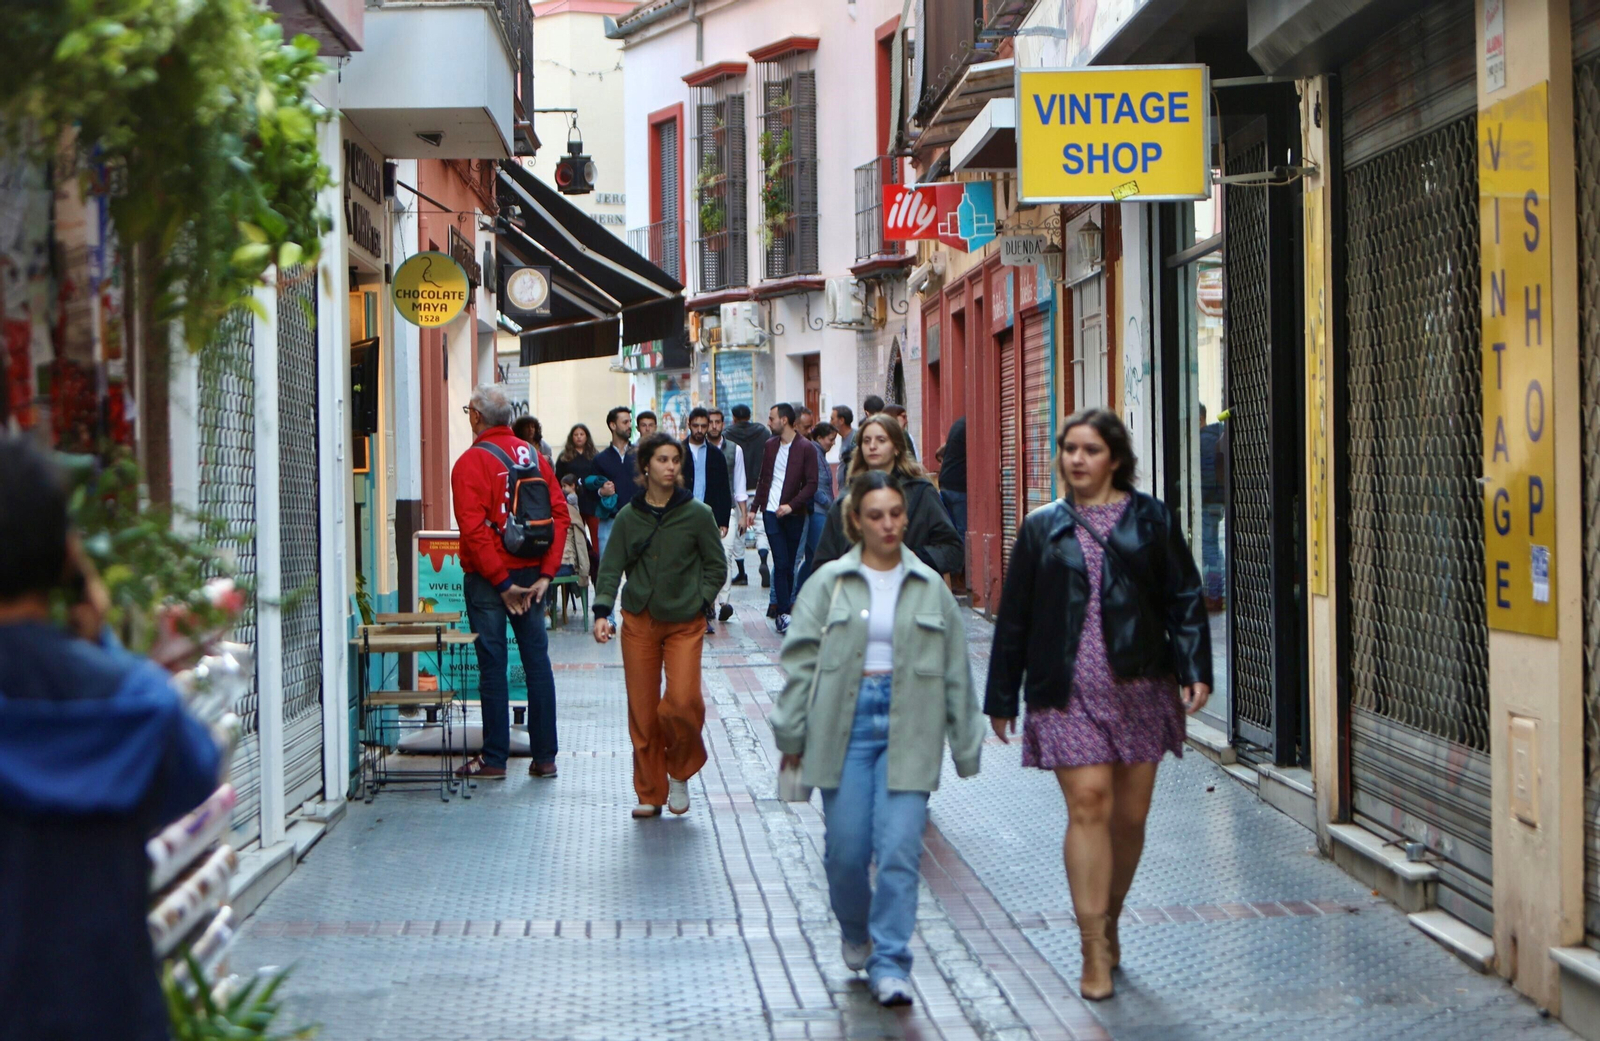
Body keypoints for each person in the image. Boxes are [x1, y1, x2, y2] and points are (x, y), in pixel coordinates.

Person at [0, 435, 223, 1041]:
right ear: (67, 558)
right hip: (111, 1012)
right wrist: (101, 642)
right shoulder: (134, 703)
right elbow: (197, 772)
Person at [984, 408, 1212, 1002]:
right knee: (1089, 803)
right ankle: (1092, 948)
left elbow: (1184, 595)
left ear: (1114, 458)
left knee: (1129, 819)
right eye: (1069, 449)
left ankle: (1110, 918)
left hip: (1140, 683)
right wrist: (1003, 694)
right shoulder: (1041, 528)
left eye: (1089, 450)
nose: (1077, 460)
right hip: (1066, 688)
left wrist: (1194, 668)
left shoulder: (1150, 519)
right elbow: (1016, 617)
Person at [770, 470, 983, 1008]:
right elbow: (799, 663)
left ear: (905, 518)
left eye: (895, 514)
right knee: (846, 851)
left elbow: (956, 669)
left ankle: (891, 961)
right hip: (844, 726)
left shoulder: (929, 586)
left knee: (899, 849)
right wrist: (791, 733)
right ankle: (856, 930)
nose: (888, 524)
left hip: (911, 722)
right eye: (876, 516)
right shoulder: (829, 584)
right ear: (856, 522)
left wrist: (965, 742)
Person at [592, 434, 728, 819]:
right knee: (643, 711)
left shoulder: (698, 514)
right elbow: (611, 567)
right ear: (646, 466)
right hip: (639, 620)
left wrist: (701, 600)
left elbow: (717, 566)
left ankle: (681, 769)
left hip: (685, 621)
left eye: (676, 461)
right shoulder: (628, 517)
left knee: (683, 702)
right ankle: (651, 792)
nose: (671, 467)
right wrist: (602, 612)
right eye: (663, 460)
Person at [451, 384, 571, 780]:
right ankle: (545, 757)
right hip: (533, 576)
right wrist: (546, 575)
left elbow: (473, 530)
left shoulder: (470, 463)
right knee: (538, 661)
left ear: (476, 417)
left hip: (490, 580)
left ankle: (495, 758)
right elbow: (560, 516)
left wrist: (502, 583)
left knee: (492, 665)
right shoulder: (534, 455)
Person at [810, 414, 962, 578]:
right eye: (866, 441)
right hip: (859, 596)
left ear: (896, 448)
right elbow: (824, 562)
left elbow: (953, 550)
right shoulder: (847, 499)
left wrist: (915, 557)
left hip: (909, 592)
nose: (872, 446)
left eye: (881, 440)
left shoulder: (921, 492)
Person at [754, 403, 818, 634]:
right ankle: (782, 612)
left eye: (772, 419)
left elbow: (812, 484)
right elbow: (764, 478)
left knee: (790, 564)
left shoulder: (805, 448)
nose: (768, 423)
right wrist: (754, 508)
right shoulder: (770, 446)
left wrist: (791, 506)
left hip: (794, 514)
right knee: (780, 562)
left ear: (784, 420)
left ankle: (785, 609)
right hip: (770, 513)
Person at [679, 407, 735, 635]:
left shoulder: (715, 454)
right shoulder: (679, 451)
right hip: (682, 516)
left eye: (704, 426)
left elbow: (724, 488)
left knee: (707, 565)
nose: (701, 430)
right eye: (697, 426)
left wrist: (723, 520)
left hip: (708, 517)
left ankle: (703, 613)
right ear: (689, 424)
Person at [724, 402, 772, 587]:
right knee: (761, 528)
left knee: (738, 531)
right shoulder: (763, 432)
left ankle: (742, 573)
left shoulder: (728, 435)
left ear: (734, 417)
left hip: (739, 489)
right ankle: (763, 560)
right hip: (760, 488)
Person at [708, 408, 749, 616]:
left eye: (718, 422)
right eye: (711, 422)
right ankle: (709, 603)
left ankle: (724, 602)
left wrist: (743, 515)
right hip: (704, 511)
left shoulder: (735, 449)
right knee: (706, 557)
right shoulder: (698, 449)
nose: (714, 426)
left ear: (724, 424)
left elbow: (740, 484)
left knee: (725, 556)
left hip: (729, 510)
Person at [793, 423, 836, 594]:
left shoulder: (820, 453)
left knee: (812, 557)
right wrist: (829, 504)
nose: (832, 443)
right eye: (830, 439)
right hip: (817, 510)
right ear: (819, 438)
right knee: (821, 553)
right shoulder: (813, 452)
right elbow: (814, 485)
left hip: (821, 510)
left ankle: (799, 592)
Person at [593, 406, 639, 562]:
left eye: (630, 422)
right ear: (613, 425)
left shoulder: (640, 455)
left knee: (640, 574)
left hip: (637, 520)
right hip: (610, 522)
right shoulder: (600, 459)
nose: (629, 426)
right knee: (607, 571)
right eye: (625, 422)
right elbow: (588, 489)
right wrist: (601, 492)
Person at [556, 423, 601, 568]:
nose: (579, 437)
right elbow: (557, 479)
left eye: (582, 434)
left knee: (596, 536)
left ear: (586, 436)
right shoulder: (565, 457)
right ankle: (576, 564)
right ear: (571, 437)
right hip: (572, 503)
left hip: (592, 501)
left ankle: (597, 564)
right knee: (576, 535)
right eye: (576, 434)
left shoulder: (595, 456)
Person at [1198, 404, 1226, 610]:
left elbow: (1206, 478)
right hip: (1217, 501)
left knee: (1209, 548)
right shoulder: (1215, 436)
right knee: (1212, 547)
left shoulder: (1203, 441)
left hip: (1208, 502)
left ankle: (1215, 595)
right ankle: (1217, 592)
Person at [938, 416, 968, 578]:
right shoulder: (969, 426)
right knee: (963, 531)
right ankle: (960, 575)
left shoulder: (958, 424)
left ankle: (954, 574)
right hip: (959, 486)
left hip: (947, 483)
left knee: (953, 531)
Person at [557, 473, 591, 589]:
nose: (563, 489)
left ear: (573, 486)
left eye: (565, 486)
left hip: (572, 520)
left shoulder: (570, 498)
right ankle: (574, 588)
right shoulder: (573, 498)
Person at [829, 404, 855, 477]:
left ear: (841, 420)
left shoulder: (855, 439)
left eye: (832, 419)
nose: (830, 423)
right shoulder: (844, 438)